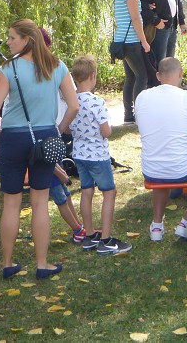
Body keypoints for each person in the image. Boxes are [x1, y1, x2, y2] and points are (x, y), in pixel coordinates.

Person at [0, 18, 79, 280]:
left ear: (26, 40)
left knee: (11, 202)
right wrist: (57, 131)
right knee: (40, 203)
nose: (8, 41)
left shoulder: (9, 69)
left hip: (13, 138)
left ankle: (7, 263)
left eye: (12, 37)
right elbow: (73, 106)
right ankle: (42, 264)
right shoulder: (57, 66)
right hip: (45, 138)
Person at [135, 57, 187, 241]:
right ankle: (186, 222)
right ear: (180, 74)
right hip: (182, 169)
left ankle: (157, 226)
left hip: (150, 169)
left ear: (158, 76)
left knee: (162, 167)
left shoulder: (141, 97)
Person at [67, 55, 131, 255]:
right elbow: (106, 131)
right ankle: (106, 239)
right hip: (98, 155)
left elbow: (68, 129)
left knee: (87, 191)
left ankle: (90, 235)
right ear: (93, 76)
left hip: (79, 153)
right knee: (109, 193)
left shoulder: (70, 102)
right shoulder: (97, 102)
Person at [114, 0, 153, 123]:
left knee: (131, 77)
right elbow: (136, 19)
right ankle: (139, 114)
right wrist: (144, 41)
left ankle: (128, 114)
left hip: (121, 40)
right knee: (142, 77)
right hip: (131, 41)